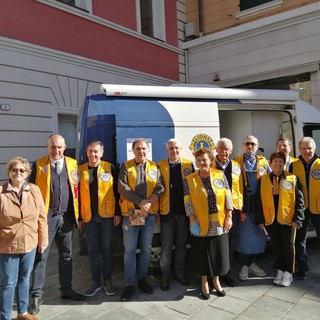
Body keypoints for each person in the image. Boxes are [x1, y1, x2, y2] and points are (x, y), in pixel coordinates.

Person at [28, 134, 84, 316]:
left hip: (67, 217)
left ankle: (66, 290)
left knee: (66, 255)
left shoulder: (72, 164)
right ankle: (36, 295)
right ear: (47, 147)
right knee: (41, 256)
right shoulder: (38, 165)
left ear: (65, 147)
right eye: (53, 147)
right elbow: (30, 193)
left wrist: (79, 216)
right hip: (46, 218)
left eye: (60, 147)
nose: (57, 151)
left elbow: (78, 190)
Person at [0, 157, 48, 320]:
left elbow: (42, 217)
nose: (18, 173)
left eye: (22, 170)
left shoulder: (34, 190)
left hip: (30, 242)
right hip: (7, 244)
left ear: (27, 173)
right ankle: (5, 316)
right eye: (15, 170)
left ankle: (22, 313)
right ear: (9, 172)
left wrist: (43, 240)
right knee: (8, 283)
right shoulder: (1, 192)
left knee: (24, 278)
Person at [118, 138, 165, 301]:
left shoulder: (154, 166)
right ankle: (129, 284)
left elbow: (160, 187)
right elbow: (122, 188)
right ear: (133, 150)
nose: (141, 151)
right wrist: (141, 202)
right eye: (138, 149)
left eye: (144, 148)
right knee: (130, 250)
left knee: (146, 248)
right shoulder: (126, 166)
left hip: (148, 214)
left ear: (147, 150)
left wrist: (148, 203)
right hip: (132, 213)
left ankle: (142, 279)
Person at [184, 147, 233, 299]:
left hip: (219, 221)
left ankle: (216, 281)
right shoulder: (190, 179)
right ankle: (204, 281)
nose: (202, 162)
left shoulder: (219, 174)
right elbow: (187, 200)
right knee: (202, 253)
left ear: (210, 160)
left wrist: (229, 215)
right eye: (198, 160)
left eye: (204, 159)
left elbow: (228, 195)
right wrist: (192, 219)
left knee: (218, 252)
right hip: (200, 222)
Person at [79, 141, 121, 297]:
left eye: (96, 151)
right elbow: (75, 196)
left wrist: (117, 213)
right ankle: (95, 281)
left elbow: (118, 192)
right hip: (88, 217)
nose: (93, 154)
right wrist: (79, 217)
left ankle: (108, 280)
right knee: (92, 250)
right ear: (86, 152)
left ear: (101, 153)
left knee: (107, 248)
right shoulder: (80, 170)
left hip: (107, 216)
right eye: (90, 151)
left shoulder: (110, 168)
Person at [255, 152, 304, 287]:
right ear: (270, 163)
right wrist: (260, 220)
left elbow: (300, 200)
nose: (278, 164)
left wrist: (298, 218)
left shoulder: (292, 178)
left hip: (288, 218)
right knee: (277, 246)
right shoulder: (263, 179)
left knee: (288, 246)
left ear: (284, 163)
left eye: (281, 161)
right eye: (275, 161)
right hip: (271, 219)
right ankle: (281, 270)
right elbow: (257, 201)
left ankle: (289, 273)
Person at [157, 139, 194, 291]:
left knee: (181, 246)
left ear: (181, 149)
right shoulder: (159, 165)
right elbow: (157, 190)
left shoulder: (188, 165)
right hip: (167, 213)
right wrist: (158, 211)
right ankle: (165, 277)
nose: (174, 151)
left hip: (184, 213)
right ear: (167, 150)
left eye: (177, 148)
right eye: (171, 148)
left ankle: (179, 274)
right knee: (166, 247)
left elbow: (193, 188)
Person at [233, 135, 269, 281]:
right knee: (243, 236)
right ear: (243, 146)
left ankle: (252, 263)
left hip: (259, 205)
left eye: (253, 144)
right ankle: (244, 265)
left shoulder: (263, 161)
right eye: (247, 144)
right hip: (244, 205)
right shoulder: (236, 161)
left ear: (257, 145)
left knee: (258, 235)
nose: (250, 146)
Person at [289, 137, 320, 280]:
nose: (307, 151)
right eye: (304, 148)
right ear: (299, 149)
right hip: (301, 208)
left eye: (309, 148)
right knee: (300, 240)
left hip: (319, 208)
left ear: (314, 148)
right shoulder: (293, 165)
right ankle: (302, 268)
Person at [214, 138, 243, 287]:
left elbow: (241, 189)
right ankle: (215, 276)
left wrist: (242, 209)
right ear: (216, 149)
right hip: (215, 211)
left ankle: (227, 273)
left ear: (231, 151)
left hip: (233, 212)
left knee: (230, 244)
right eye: (221, 148)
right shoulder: (209, 165)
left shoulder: (237, 166)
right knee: (216, 244)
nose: (223, 151)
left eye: (226, 149)